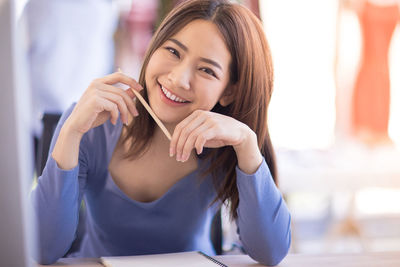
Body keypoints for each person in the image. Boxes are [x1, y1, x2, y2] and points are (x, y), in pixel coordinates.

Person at [30, 0, 291, 265]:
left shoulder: (227, 145)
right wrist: (71, 131)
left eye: (206, 70)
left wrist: (246, 143)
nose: (178, 79)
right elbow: (40, 249)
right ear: (152, 48)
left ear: (229, 91)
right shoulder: (95, 124)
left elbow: (271, 253)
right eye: (173, 51)